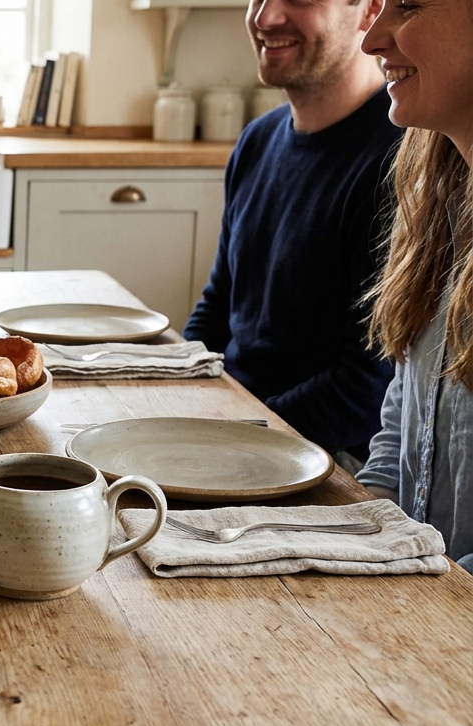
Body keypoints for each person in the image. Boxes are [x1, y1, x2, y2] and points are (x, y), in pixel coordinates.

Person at [183, 0, 402, 471]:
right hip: (233, 428)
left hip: (325, 460)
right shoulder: (257, 140)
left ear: (369, 11)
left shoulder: (400, 160)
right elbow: (217, 307)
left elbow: (367, 388)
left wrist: (224, 440)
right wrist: (184, 400)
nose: (265, 18)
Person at [355, 0, 473, 569]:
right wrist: (362, 536)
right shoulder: (436, 200)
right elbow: (401, 425)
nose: (372, 40)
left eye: (408, 6)